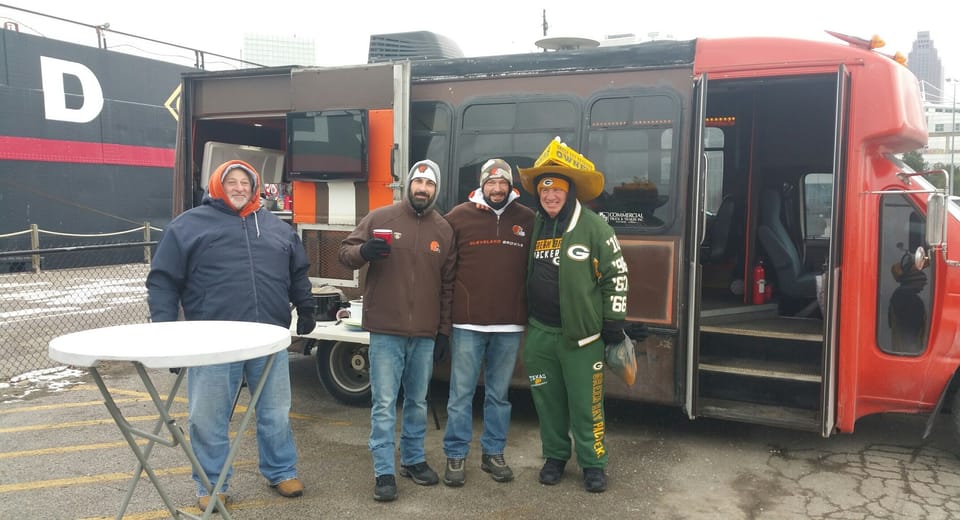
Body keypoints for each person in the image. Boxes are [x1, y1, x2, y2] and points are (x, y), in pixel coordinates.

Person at [146, 159, 315, 511]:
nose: (239, 188)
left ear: (255, 187)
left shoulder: (275, 228)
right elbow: (163, 281)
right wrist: (164, 333)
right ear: (217, 185)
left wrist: (307, 307)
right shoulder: (187, 227)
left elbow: (298, 271)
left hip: (269, 339)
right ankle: (212, 483)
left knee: (275, 411)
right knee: (207, 418)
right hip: (212, 343)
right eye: (232, 181)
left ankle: (281, 470)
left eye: (245, 182)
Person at [338, 159, 456, 502]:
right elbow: (345, 253)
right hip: (386, 330)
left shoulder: (444, 230)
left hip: (424, 333)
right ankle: (384, 471)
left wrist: (444, 331)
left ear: (436, 189)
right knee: (385, 403)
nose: (422, 189)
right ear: (409, 186)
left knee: (417, 401)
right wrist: (364, 251)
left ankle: (413, 459)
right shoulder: (380, 217)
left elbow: (447, 285)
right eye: (418, 183)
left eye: (429, 184)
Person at [517, 138, 629, 493]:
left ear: (569, 193)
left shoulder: (596, 227)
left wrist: (614, 321)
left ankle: (593, 464)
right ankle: (554, 457)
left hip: (582, 339)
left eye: (557, 190)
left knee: (586, 406)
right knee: (547, 404)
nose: (550, 196)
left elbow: (617, 275)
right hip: (540, 334)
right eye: (544, 191)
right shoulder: (536, 225)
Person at [440, 158, 535, 487]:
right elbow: (444, 266)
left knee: (499, 396)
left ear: (511, 185)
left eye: (502, 183)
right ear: (482, 184)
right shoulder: (457, 217)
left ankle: (493, 453)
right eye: (491, 183)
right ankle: (455, 454)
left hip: (509, 325)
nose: (497, 188)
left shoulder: (527, 219)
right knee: (460, 395)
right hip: (467, 324)